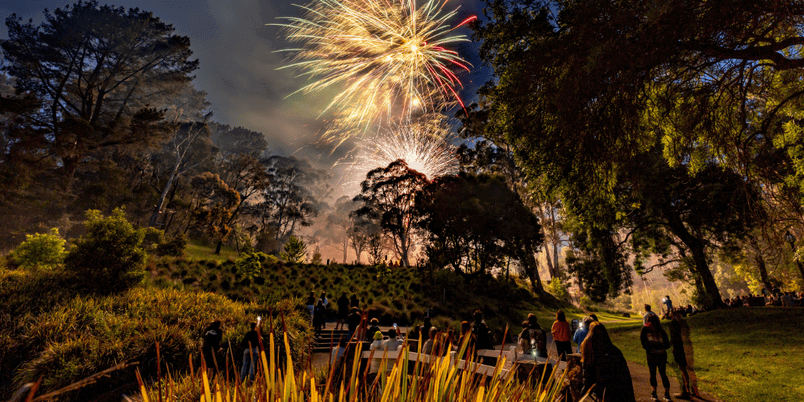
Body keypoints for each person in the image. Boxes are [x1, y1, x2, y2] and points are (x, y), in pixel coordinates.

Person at [581, 322, 635, 402]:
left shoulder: (589, 348)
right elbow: (624, 373)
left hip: (605, 390)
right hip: (621, 388)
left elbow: (589, 373)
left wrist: (585, 390)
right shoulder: (614, 351)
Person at [641, 314, 672, 401]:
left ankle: (667, 394)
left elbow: (667, 343)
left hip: (661, 355)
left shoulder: (661, 331)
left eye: (649, 322)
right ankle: (654, 393)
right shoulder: (645, 330)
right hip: (651, 355)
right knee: (652, 374)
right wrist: (649, 349)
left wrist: (663, 349)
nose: (648, 324)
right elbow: (643, 342)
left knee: (663, 373)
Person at [668, 312, 693, 400]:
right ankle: (689, 389)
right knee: (685, 369)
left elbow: (674, 337)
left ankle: (685, 390)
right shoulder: (683, 325)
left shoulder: (674, 324)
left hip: (679, 348)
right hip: (685, 348)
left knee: (682, 369)